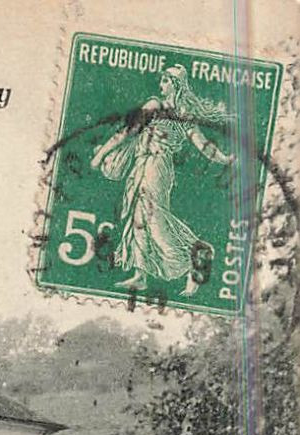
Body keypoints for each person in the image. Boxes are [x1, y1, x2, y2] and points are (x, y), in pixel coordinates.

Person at [88, 64, 232, 296]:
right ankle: (141, 275)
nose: (160, 85)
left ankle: (194, 257)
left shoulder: (161, 108)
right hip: (145, 164)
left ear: (175, 84)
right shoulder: (175, 112)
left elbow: (126, 133)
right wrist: (224, 158)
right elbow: (129, 132)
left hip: (156, 167)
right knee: (139, 218)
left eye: (165, 80)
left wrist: (99, 155)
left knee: (153, 217)